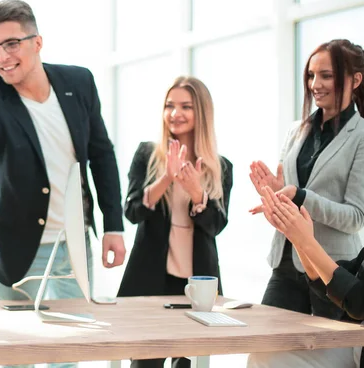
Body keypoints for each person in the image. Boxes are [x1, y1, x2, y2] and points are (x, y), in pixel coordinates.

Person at [0, 0, 126, 308]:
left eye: (12, 44)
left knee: (72, 343)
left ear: (37, 42)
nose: (2, 57)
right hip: (17, 245)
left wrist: (113, 226)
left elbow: (102, 156)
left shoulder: (79, 83)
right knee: (17, 352)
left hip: (74, 242)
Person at [117, 76, 233, 368]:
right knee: (145, 363)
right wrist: (166, 178)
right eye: (169, 105)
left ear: (201, 113)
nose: (175, 113)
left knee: (188, 363)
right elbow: (132, 212)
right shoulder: (147, 154)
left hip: (197, 283)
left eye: (185, 106)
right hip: (150, 278)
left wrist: (198, 194)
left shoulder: (220, 166)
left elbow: (217, 226)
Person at [249, 39, 364, 320]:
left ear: (356, 79)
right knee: (265, 352)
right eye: (311, 75)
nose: (315, 84)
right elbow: (290, 192)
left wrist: (300, 197)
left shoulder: (361, 136)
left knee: (326, 360)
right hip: (285, 263)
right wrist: (276, 196)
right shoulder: (296, 131)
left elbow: (355, 217)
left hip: (334, 270)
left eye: (327, 75)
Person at [247, 187, 362, 368]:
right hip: (356, 342)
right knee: (264, 356)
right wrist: (297, 239)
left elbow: (358, 301)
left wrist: (307, 241)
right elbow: (345, 276)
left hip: (357, 342)